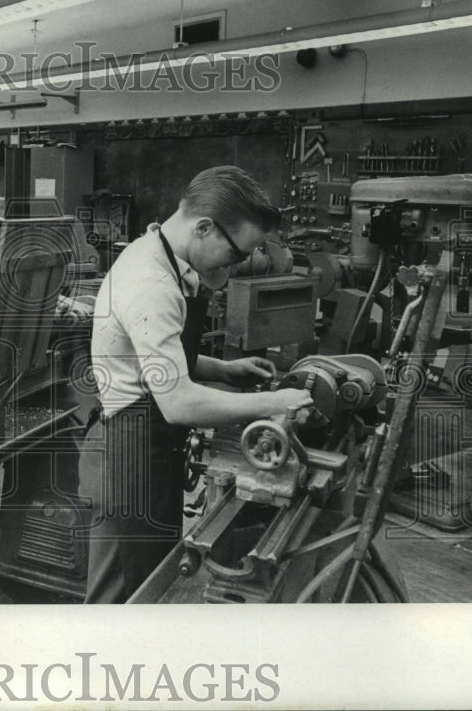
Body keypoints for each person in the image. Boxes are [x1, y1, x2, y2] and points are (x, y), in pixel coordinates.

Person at [80, 165, 313, 603]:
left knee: (132, 581)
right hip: (131, 448)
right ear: (204, 227)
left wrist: (223, 371)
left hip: (144, 438)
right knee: (137, 588)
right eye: (236, 253)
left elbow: (153, 359)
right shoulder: (152, 283)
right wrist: (273, 403)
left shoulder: (162, 258)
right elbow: (179, 403)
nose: (236, 265)